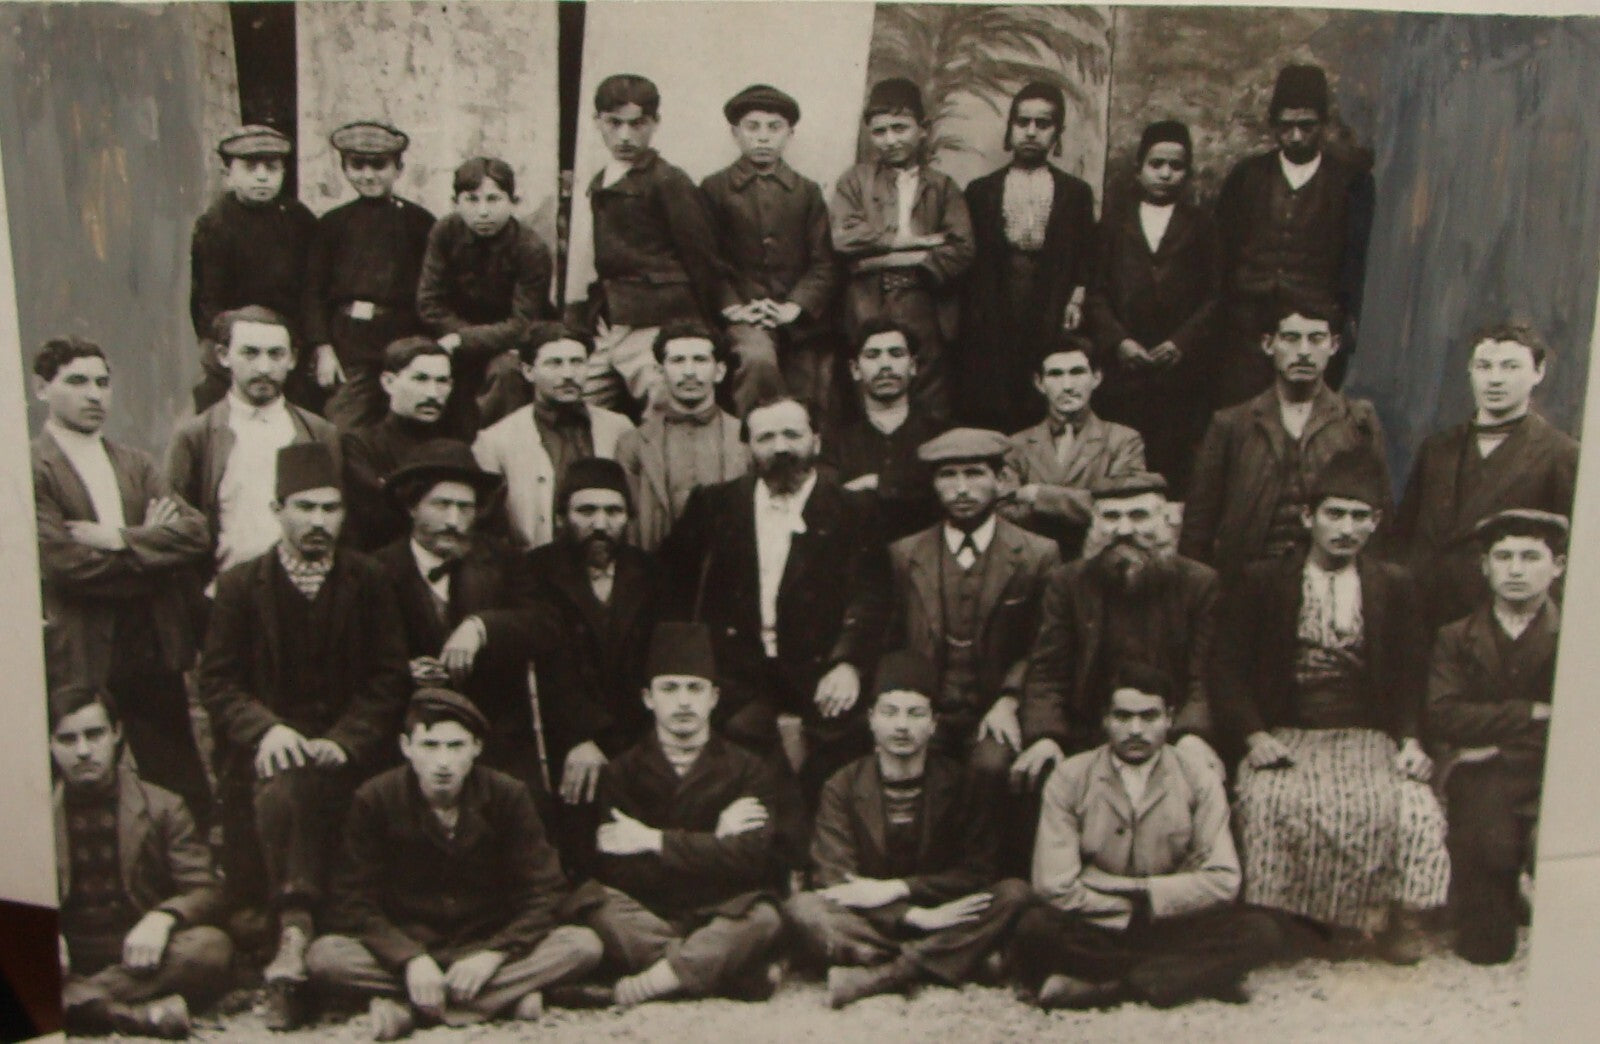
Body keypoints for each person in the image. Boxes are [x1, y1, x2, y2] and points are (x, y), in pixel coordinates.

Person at [197, 442, 409, 1029]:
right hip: (270, 761)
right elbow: (217, 681)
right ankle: (294, 937)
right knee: (287, 786)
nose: (319, 522)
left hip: (352, 755)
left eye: (331, 509)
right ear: (276, 508)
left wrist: (347, 739)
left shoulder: (367, 579)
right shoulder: (241, 586)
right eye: (305, 507)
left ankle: (323, 950)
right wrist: (265, 731)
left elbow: (390, 676)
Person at [1212, 450, 1448, 963]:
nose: (1346, 528)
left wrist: (1409, 740)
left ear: (1377, 522)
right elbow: (1226, 670)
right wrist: (1253, 734)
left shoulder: (1395, 585)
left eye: (1360, 516)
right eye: (1334, 514)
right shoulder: (1262, 581)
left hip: (1367, 731)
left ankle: (1395, 917)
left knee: (1409, 807)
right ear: (1308, 518)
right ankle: (1290, 920)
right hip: (1287, 729)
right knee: (1269, 800)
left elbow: (1412, 675)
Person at [306, 689, 603, 1040]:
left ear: (476, 748)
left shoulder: (508, 795)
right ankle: (500, 1001)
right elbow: (352, 901)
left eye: (456, 746)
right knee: (325, 956)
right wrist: (409, 959)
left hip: (485, 945)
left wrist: (493, 953)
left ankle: (410, 1010)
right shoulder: (376, 798)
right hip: (407, 948)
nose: (443, 762)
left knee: (582, 945)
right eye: (430, 746)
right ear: (406, 747)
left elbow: (545, 893)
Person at [1010, 664, 1281, 1010]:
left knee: (1261, 931)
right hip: (1100, 922)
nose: (1135, 730)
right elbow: (1054, 884)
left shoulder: (1198, 775)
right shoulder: (1070, 777)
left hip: (1173, 920)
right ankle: (1190, 976)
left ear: (1169, 718)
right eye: (1122, 716)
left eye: (1149, 716)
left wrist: (1137, 891)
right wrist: (1130, 910)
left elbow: (1224, 880)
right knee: (1034, 928)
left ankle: (1113, 988)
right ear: (1105, 719)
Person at [659, 395, 889, 800]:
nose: (780, 447)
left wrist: (848, 663)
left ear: (815, 441)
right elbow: (673, 589)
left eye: (792, 434)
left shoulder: (854, 509)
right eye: (766, 437)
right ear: (747, 447)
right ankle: (772, 849)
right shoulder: (715, 505)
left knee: (842, 743)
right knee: (743, 739)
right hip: (740, 670)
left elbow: (872, 595)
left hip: (821, 666)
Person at [565, 622, 802, 1007]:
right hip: (650, 914)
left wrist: (652, 840)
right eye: (669, 689)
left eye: (695, 689)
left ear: (714, 698)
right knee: (596, 905)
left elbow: (752, 860)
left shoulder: (748, 769)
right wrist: (716, 841)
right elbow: (618, 868)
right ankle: (720, 971)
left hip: (721, 911)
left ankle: (663, 976)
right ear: (648, 698)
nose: (683, 702)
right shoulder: (621, 772)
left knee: (765, 916)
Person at [784, 651, 1033, 1008]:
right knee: (804, 908)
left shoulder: (961, 784)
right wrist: (913, 916)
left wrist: (899, 889)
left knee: (1015, 893)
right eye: (890, 712)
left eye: (916, 714)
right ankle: (957, 958)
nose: (902, 726)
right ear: (871, 720)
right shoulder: (842, 785)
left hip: (944, 911)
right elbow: (834, 879)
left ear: (933, 724)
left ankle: (887, 971)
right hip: (878, 920)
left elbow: (978, 871)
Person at [32, 337, 213, 828]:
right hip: (85, 642)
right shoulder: (32, 467)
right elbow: (65, 565)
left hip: (152, 639)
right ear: (42, 389)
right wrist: (153, 552)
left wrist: (117, 538)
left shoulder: (136, 463)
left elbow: (196, 534)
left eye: (102, 383)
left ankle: (193, 875)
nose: (94, 395)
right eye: (77, 382)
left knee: (175, 768)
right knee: (85, 770)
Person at [495, 457, 662, 870]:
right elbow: (551, 662)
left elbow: (654, 660)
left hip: (636, 732)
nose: (601, 523)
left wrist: (616, 741)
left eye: (614, 511)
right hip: (564, 737)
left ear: (629, 517)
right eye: (586, 511)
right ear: (561, 517)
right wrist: (584, 735)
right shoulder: (533, 571)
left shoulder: (652, 573)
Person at [1015, 472, 1221, 792]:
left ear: (1165, 521)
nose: (1124, 530)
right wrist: (1046, 736)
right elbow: (1048, 671)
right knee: (1040, 772)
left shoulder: (1198, 583)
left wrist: (1191, 734)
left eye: (1138, 516)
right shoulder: (1067, 583)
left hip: (1167, 732)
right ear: (1095, 524)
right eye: (1111, 517)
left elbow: (1202, 675)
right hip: (1086, 734)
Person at [53, 689, 232, 1040]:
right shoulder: (29, 815)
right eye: (67, 739)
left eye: (94, 735)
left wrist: (164, 918)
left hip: (139, 956)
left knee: (211, 949)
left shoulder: (163, 806)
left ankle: (74, 1002)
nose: (83, 751)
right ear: (49, 744)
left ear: (117, 733)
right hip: (68, 954)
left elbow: (206, 889)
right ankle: (128, 1015)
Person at [883, 428, 1059, 786]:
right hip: (928, 710)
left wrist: (1010, 700)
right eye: (948, 475)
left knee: (990, 770)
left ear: (1000, 480)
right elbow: (894, 638)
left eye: (975, 473)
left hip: (997, 707)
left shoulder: (1036, 554)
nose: (961, 489)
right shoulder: (906, 553)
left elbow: (1043, 646)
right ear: (934, 484)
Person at [1428, 509, 1566, 964]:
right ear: (1484, 566)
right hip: (1484, 773)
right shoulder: (1456, 636)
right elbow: (1445, 716)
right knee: (1487, 947)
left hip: (1557, 775)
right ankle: (1499, 891)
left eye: (1531, 556)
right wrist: (1530, 712)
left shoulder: (1577, 633)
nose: (1516, 570)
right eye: (1502, 557)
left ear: (1558, 565)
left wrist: (1497, 726)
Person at [371, 441, 544, 799]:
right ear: (411, 507)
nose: (453, 521)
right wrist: (405, 672)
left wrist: (481, 627)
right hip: (406, 738)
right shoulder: (374, 570)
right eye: (441, 505)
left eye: (465, 508)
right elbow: (356, 653)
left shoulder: (503, 560)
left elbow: (545, 625)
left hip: (494, 735)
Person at [1181, 297, 1389, 579]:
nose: (1303, 352)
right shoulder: (1232, 425)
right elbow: (1198, 528)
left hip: (1331, 579)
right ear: (1269, 345)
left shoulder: (1357, 421)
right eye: (1291, 338)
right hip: (1247, 584)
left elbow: (1380, 516)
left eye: (1316, 339)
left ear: (1334, 346)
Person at [1391, 321, 1579, 629]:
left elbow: (1569, 560)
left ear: (1538, 372)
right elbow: (1402, 538)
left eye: (1510, 367)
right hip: (1418, 621)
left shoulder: (1561, 454)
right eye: (1484, 366)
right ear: (1470, 370)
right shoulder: (1437, 448)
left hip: (1497, 628)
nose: (1495, 379)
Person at [1215, 64, 1375, 405]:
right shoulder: (1247, 177)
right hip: (1245, 332)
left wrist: (1342, 323)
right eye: (1286, 126)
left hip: (1313, 328)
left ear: (1324, 123)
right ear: (1274, 124)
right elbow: (1221, 254)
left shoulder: (1350, 182)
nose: (1296, 136)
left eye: (1307, 126)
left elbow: (1355, 260)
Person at [583, 74, 733, 415]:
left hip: (657, 319)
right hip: (614, 318)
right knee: (581, 405)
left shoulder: (668, 181)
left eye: (638, 124)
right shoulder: (604, 179)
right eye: (614, 123)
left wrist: (702, 327)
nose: (625, 136)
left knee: (665, 404)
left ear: (655, 123)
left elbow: (702, 258)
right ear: (597, 122)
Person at [1086, 119, 1222, 492]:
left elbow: (1215, 295)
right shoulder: (1113, 226)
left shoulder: (1202, 226)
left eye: (1176, 167)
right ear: (1138, 169)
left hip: (1179, 372)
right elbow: (1095, 293)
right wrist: (1119, 342)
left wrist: (1182, 343)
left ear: (1188, 173)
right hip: (1123, 371)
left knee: (1174, 461)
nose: (1165, 174)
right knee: (1122, 459)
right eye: (1156, 164)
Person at [832, 77, 974, 418]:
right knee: (866, 382)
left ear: (922, 129)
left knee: (927, 384)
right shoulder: (854, 181)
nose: (890, 140)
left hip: (922, 297)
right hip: (866, 300)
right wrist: (911, 245)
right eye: (879, 131)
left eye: (900, 128)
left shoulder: (942, 187)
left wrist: (874, 260)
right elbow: (843, 238)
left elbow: (961, 248)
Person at [166, 305, 341, 578]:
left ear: (292, 359)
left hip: (303, 590)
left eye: (276, 354)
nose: (264, 367)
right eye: (250, 353)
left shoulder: (319, 433)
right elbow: (179, 527)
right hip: (223, 593)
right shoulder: (196, 435)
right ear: (224, 356)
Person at [960, 82, 1096, 431]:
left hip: (1049, 296)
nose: (1031, 132)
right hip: (996, 299)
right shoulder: (981, 191)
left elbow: (1085, 254)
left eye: (1043, 124)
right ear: (1010, 128)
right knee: (994, 387)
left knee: (1040, 385)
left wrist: (1077, 297)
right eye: (1023, 123)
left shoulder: (1075, 193)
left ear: (1057, 134)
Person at [701, 84, 839, 416]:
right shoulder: (714, 189)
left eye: (774, 127)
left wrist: (794, 306)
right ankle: (752, 444)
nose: (763, 137)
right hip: (743, 317)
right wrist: (734, 307)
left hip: (796, 318)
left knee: (816, 381)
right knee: (757, 360)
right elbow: (705, 259)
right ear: (735, 133)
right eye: (752, 127)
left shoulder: (806, 192)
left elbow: (824, 263)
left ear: (790, 134)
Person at [304, 120, 436, 431]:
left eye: (379, 165)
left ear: (398, 168)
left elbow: (434, 290)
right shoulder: (332, 224)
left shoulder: (420, 223)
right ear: (345, 169)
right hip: (350, 342)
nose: (368, 175)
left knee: (410, 424)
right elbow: (313, 291)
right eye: (357, 165)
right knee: (344, 425)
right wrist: (323, 348)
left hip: (404, 339)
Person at [417, 156, 555, 437]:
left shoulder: (531, 248)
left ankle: (494, 450)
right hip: (451, 334)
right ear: (455, 201)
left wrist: (464, 340)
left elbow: (523, 323)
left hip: (506, 343)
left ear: (513, 201)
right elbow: (429, 303)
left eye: (494, 199)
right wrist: (458, 338)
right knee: (419, 365)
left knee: (507, 374)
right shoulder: (445, 232)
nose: (483, 212)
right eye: (472, 199)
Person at [189, 124, 315, 412]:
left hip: (291, 343)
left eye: (271, 168)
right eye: (250, 167)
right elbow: (208, 300)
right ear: (228, 173)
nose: (262, 176)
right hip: (236, 339)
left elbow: (312, 288)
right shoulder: (215, 224)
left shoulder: (299, 219)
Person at [470, 323, 633, 548]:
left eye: (577, 362)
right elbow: (485, 527)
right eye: (554, 364)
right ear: (528, 371)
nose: (568, 374)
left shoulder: (619, 428)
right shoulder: (497, 440)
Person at [1002, 334, 1146, 559]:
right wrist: (1084, 502)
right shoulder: (1015, 445)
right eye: (1056, 375)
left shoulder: (1123, 440)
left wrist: (1037, 494)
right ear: (1039, 383)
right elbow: (1004, 513)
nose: (1068, 386)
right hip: (1032, 563)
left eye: (1077, 372)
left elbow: (1119, 507)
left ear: (1096, 378)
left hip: (1097, 561)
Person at [614, 322, 749, 552]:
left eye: (700, 360)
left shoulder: (745, 437)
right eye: (677, 361)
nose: (689, 372)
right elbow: (628, 525)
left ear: (719, 371)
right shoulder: (633, 443)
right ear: (659, 371)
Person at [820, 319, 949, 543]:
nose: (885, 365)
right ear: (855, 369)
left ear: (913, 366)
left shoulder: (942, 436)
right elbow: (827, 504)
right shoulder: (835, 442)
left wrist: (876, 486)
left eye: (896, 354)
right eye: (873, 355)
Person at [341, 338, 462, 552]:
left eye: (442, 381)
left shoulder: (457, 447)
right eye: (420, 379)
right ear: (388, 382)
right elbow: (376, 519)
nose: (433, 393)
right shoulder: (361, 445)